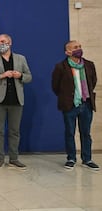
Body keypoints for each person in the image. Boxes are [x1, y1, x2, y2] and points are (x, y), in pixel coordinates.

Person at [0, 34, 32, 169]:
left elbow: (29, 77)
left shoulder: (20, 59)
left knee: (14, 131)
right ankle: (0, 158)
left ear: (10, 43)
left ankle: (14, 158)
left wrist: (20, 76)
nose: (0, 44)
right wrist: (1, 76)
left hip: (16, 100)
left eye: (3, 42)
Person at [51, 40, 99, 171]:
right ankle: (71, 158)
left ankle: (87, 159)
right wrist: (67, 97)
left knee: (86, 133)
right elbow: (55, 86)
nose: (79, 49)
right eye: (75, 47)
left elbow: (93, 82)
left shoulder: (89, 65)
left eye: (80, 46)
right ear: (68, 52)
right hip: (70, 105)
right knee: (70, 132)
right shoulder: (61, 67)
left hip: (86, 104)